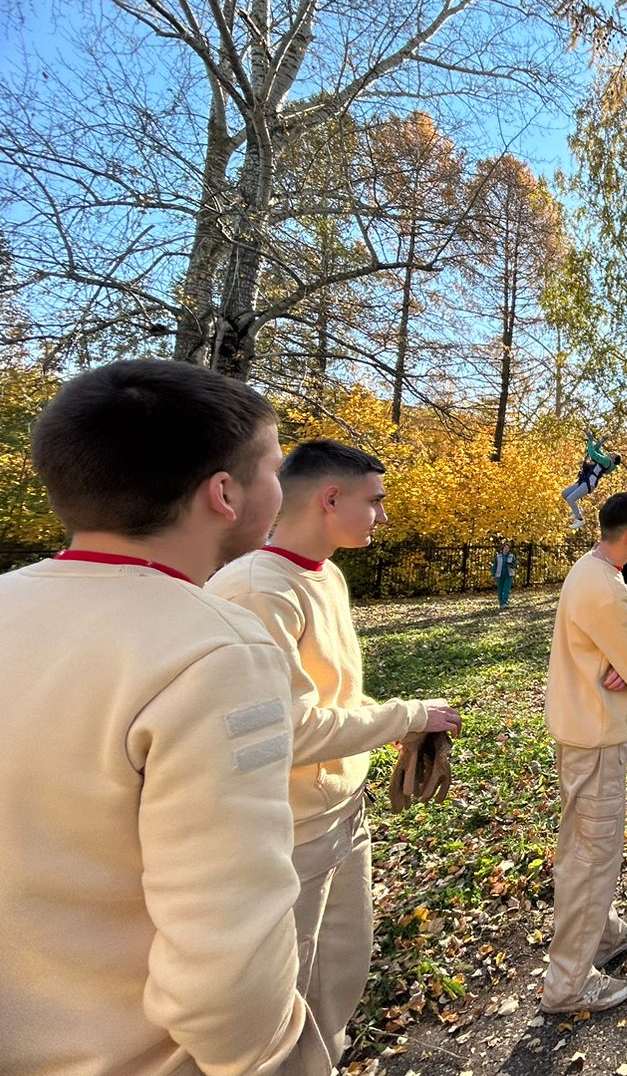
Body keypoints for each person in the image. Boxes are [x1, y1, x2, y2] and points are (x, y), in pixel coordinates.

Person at [0, 360, 331, 1076]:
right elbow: (227, 951)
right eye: (274, 469)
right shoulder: (215, 650)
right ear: (224, 493)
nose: (281, 489)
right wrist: (269, 1055)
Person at [208, 440, 462, 1060]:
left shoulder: (327, 574)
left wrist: (390, 727)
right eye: (374, 501)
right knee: (283, 1003)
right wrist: (407, 715)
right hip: (284, 835)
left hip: (344, 812)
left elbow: (334, 695)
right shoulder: (256, 590)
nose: (382, 515)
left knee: (339, 973)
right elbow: (285, 732)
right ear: (330, 498)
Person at [541, 492, 627, 1014]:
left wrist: (622, 667)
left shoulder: (586, 570)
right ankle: (567, 984)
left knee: (588, 848)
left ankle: (605, 936)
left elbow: (621, 660)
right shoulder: (609, 590)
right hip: (596, 736)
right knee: (591, 859)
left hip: (581, 729)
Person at [561, 431, 623, 528]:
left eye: (613, 453)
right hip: (584, 480)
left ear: (614, 459)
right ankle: (578, 511)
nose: (610, 452)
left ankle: (580, 519)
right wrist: (601, 441)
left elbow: (593, 454)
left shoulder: (607, 461)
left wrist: (590, 440)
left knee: (570, 499)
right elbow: (596, 449)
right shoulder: (607, 461)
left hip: (589, 483)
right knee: (565, 493)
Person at [493, 541, 517, 608]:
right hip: (500, 575)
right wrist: (493, 574)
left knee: (506, 589)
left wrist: (512, 565)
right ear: (503, 548)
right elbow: (495, 565)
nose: (506, 549)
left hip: (508, 575)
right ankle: (501, 603)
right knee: (500, 590)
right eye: (505, 548)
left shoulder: (511, 556)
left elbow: (515, 564)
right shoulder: (498, 556)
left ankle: (505, 603)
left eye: (508, 548)